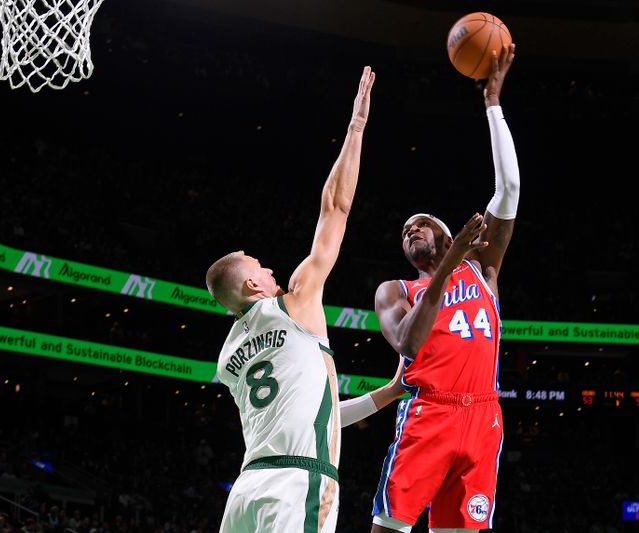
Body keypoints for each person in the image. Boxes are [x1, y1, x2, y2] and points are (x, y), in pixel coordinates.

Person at [206, 67, 403, 533]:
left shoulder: (228, 356)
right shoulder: (295, 301)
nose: (272, 269)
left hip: (247, 490)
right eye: (261, 267)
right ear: (253, 286)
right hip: (297, 484)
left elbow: (316, 409)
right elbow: (335, 208)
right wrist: (356, 126)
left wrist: (386, 394)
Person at [371, 44, 519, 533]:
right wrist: (451, 259)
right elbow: (410, 343)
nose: (410, 230)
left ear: (445, 232)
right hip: (427, 413)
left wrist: (493, 106)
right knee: (387, 529)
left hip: (483, 415)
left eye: (420, 224)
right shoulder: (396, 290)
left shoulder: (483, 269)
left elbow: (510, 189)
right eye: (404, 231)